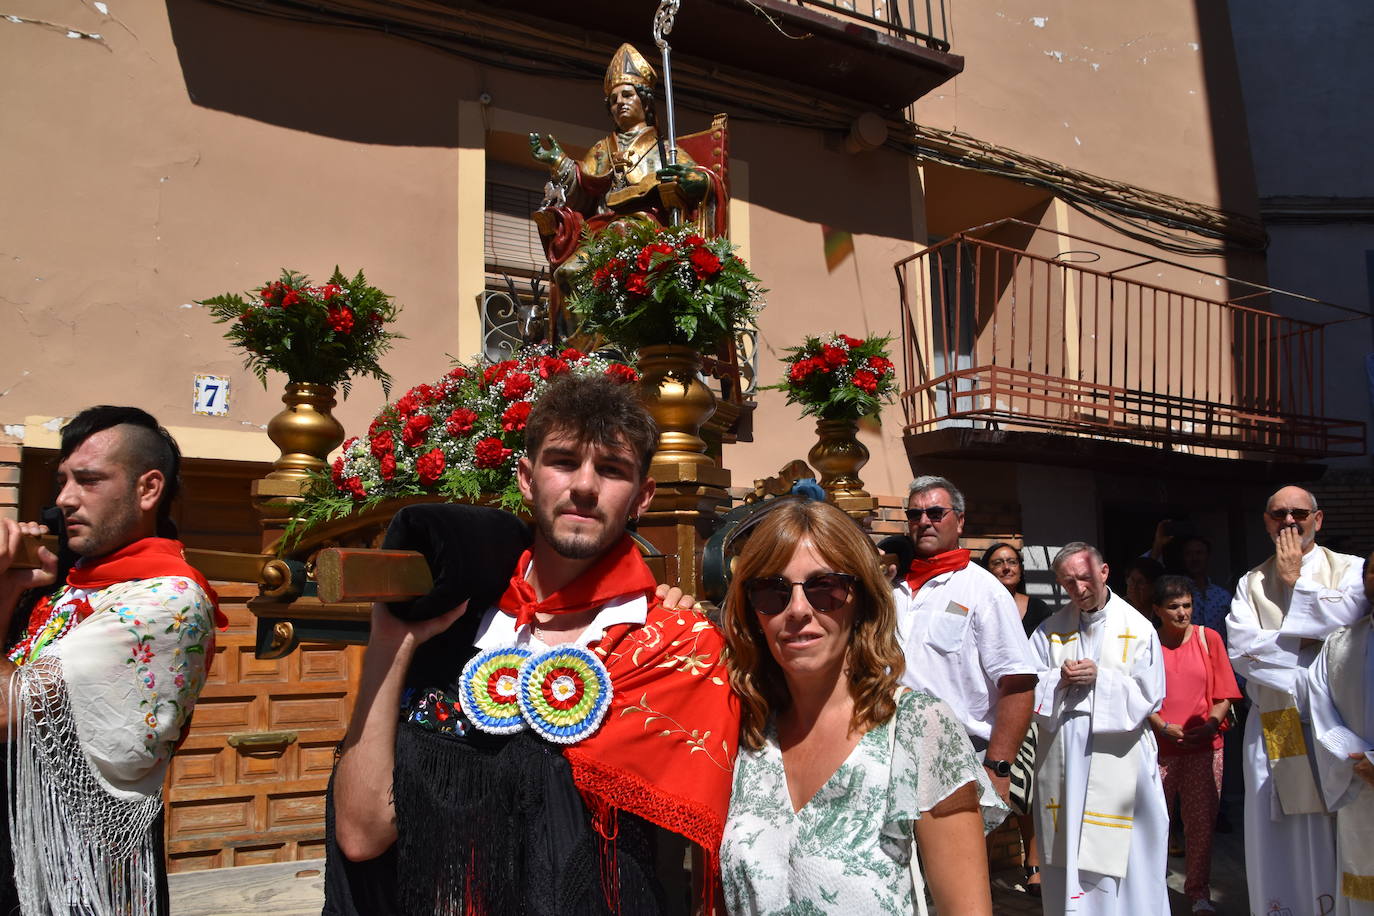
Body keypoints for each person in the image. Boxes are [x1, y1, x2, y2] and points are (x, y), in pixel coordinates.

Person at [327, 374, 739, 915]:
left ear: (642, 495)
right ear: (526, 478)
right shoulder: (454, 628)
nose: (585, 486)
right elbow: (363, 835)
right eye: (564, 461)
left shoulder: (673, 647)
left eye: (612, 469)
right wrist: (390, 643)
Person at [718, 498, 1004, 914]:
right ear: (752, 610)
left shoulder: (918, 727)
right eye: (771, 591)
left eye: (825, 588)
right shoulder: (743, 727)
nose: (798, 610)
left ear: (862, 600)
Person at [0, 406, 220, 916]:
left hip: (77, 875)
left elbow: (8, 709)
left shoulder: (166, 600)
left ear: (148, 489)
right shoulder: (72, 584)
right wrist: (10, 590)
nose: (64, 499)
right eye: (62, 481)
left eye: (89, 480)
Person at [1227, 485, 1368, 916]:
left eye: (1299, 513)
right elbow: (1243, 649)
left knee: (1340, 827)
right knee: (1281, 833)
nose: (1289, 521)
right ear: (1266, 521)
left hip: (1341, 723)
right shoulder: (1251, 581)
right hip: (1277, 722)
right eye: (1278, 514)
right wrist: (1311, 646)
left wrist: (1295, 583)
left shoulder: (1353, 570)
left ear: (1318, 519)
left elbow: (1352, 626)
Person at [1031, 541, 1169, 915]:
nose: (1079, 589)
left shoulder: (1138, 628)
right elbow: (1029, 685)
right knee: (1069, 842)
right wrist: (1057, 679)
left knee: (1128, 849)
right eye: (1068, 582)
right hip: (1064, 753)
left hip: (1120, 750)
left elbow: (1151, 694)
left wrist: (1101, 678)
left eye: (1085, 578)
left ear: (1104, 572)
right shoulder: (1048, 631)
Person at [529, 43, 726, 305]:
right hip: (602, 233)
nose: (619, 102)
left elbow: (701, 179)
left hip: (646, 231)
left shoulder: (666, 150)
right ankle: (578, 347)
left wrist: (697, 180)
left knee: (623, 234)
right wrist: (559, 162)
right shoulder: (601, 150)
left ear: (644, 101)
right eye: (613, 100)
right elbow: (583, 192)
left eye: (627, 95)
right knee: (568, 273)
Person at [893, 477, 1038, 806]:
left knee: (957, 857)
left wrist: (999, 767)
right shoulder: (892, 587)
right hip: (892, 752)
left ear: (959, 520)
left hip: (959, 753)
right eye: (915, 515)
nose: (924, 521)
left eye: (935, 512)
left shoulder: (984, 591)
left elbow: (1017, 683)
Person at [1146, 575, 1241, 914]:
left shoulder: (1207, 637)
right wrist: (1161, 726)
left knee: (1201, 825)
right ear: (1157, 609)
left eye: (1187, 605)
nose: (1183, 613)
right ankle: (1152, 892)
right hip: (1159, 748)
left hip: (1205, 747)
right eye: (1173, 607)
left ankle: (1198, 893)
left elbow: (1224, 692)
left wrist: (1212, 723)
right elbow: (1139, 697)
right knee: (1155, 824)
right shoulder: (1148, 643)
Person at [1306, 549, 1374, 916]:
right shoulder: (1341, 643)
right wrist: (1361, 761)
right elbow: (1321, 707)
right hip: (1361, 780)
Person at [980, 541, 1050, 896]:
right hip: (990, 712)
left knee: (1029, 793)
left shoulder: (1037, 608)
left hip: (1030, 710)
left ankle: (1033, 863)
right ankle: (981, 873)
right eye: (998, 562)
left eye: (1011, 561)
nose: (1006, 567)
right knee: (990, 795)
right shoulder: (982, 602)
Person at [1122, 555, 1165, 620]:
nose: (1134, 587)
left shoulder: (1162, 613)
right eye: (1132, 580)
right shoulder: (1117, 607)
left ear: (1153, 587)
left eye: (1141, 582)